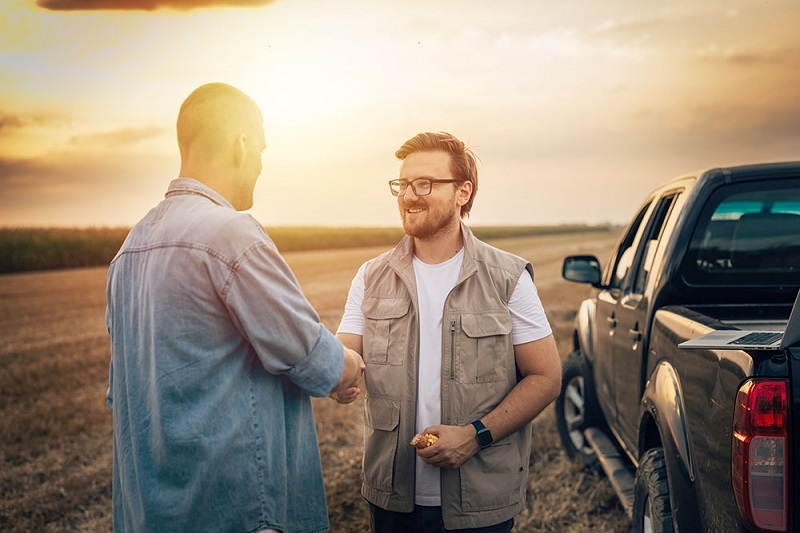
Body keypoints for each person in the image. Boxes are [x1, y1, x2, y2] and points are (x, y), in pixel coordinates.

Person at [105, 82, 364, 533]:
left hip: (151, 515)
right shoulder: (231, 235)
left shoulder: (129, 248)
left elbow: (122, 391)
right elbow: (309, 355)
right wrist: (349, 368)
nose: (261, 164)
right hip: (238, 512)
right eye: (261, 149)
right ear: (242, 144)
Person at [334, 131, 562, 532]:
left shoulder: (507, 278)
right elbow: (345, 353)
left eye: (424, 184)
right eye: (403, 185)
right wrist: (337, 376)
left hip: (480, 504)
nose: (408, 195)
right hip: (392, 497)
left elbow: (546, 377)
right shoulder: (370, 277)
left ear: (463, 192)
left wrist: (475, 436)